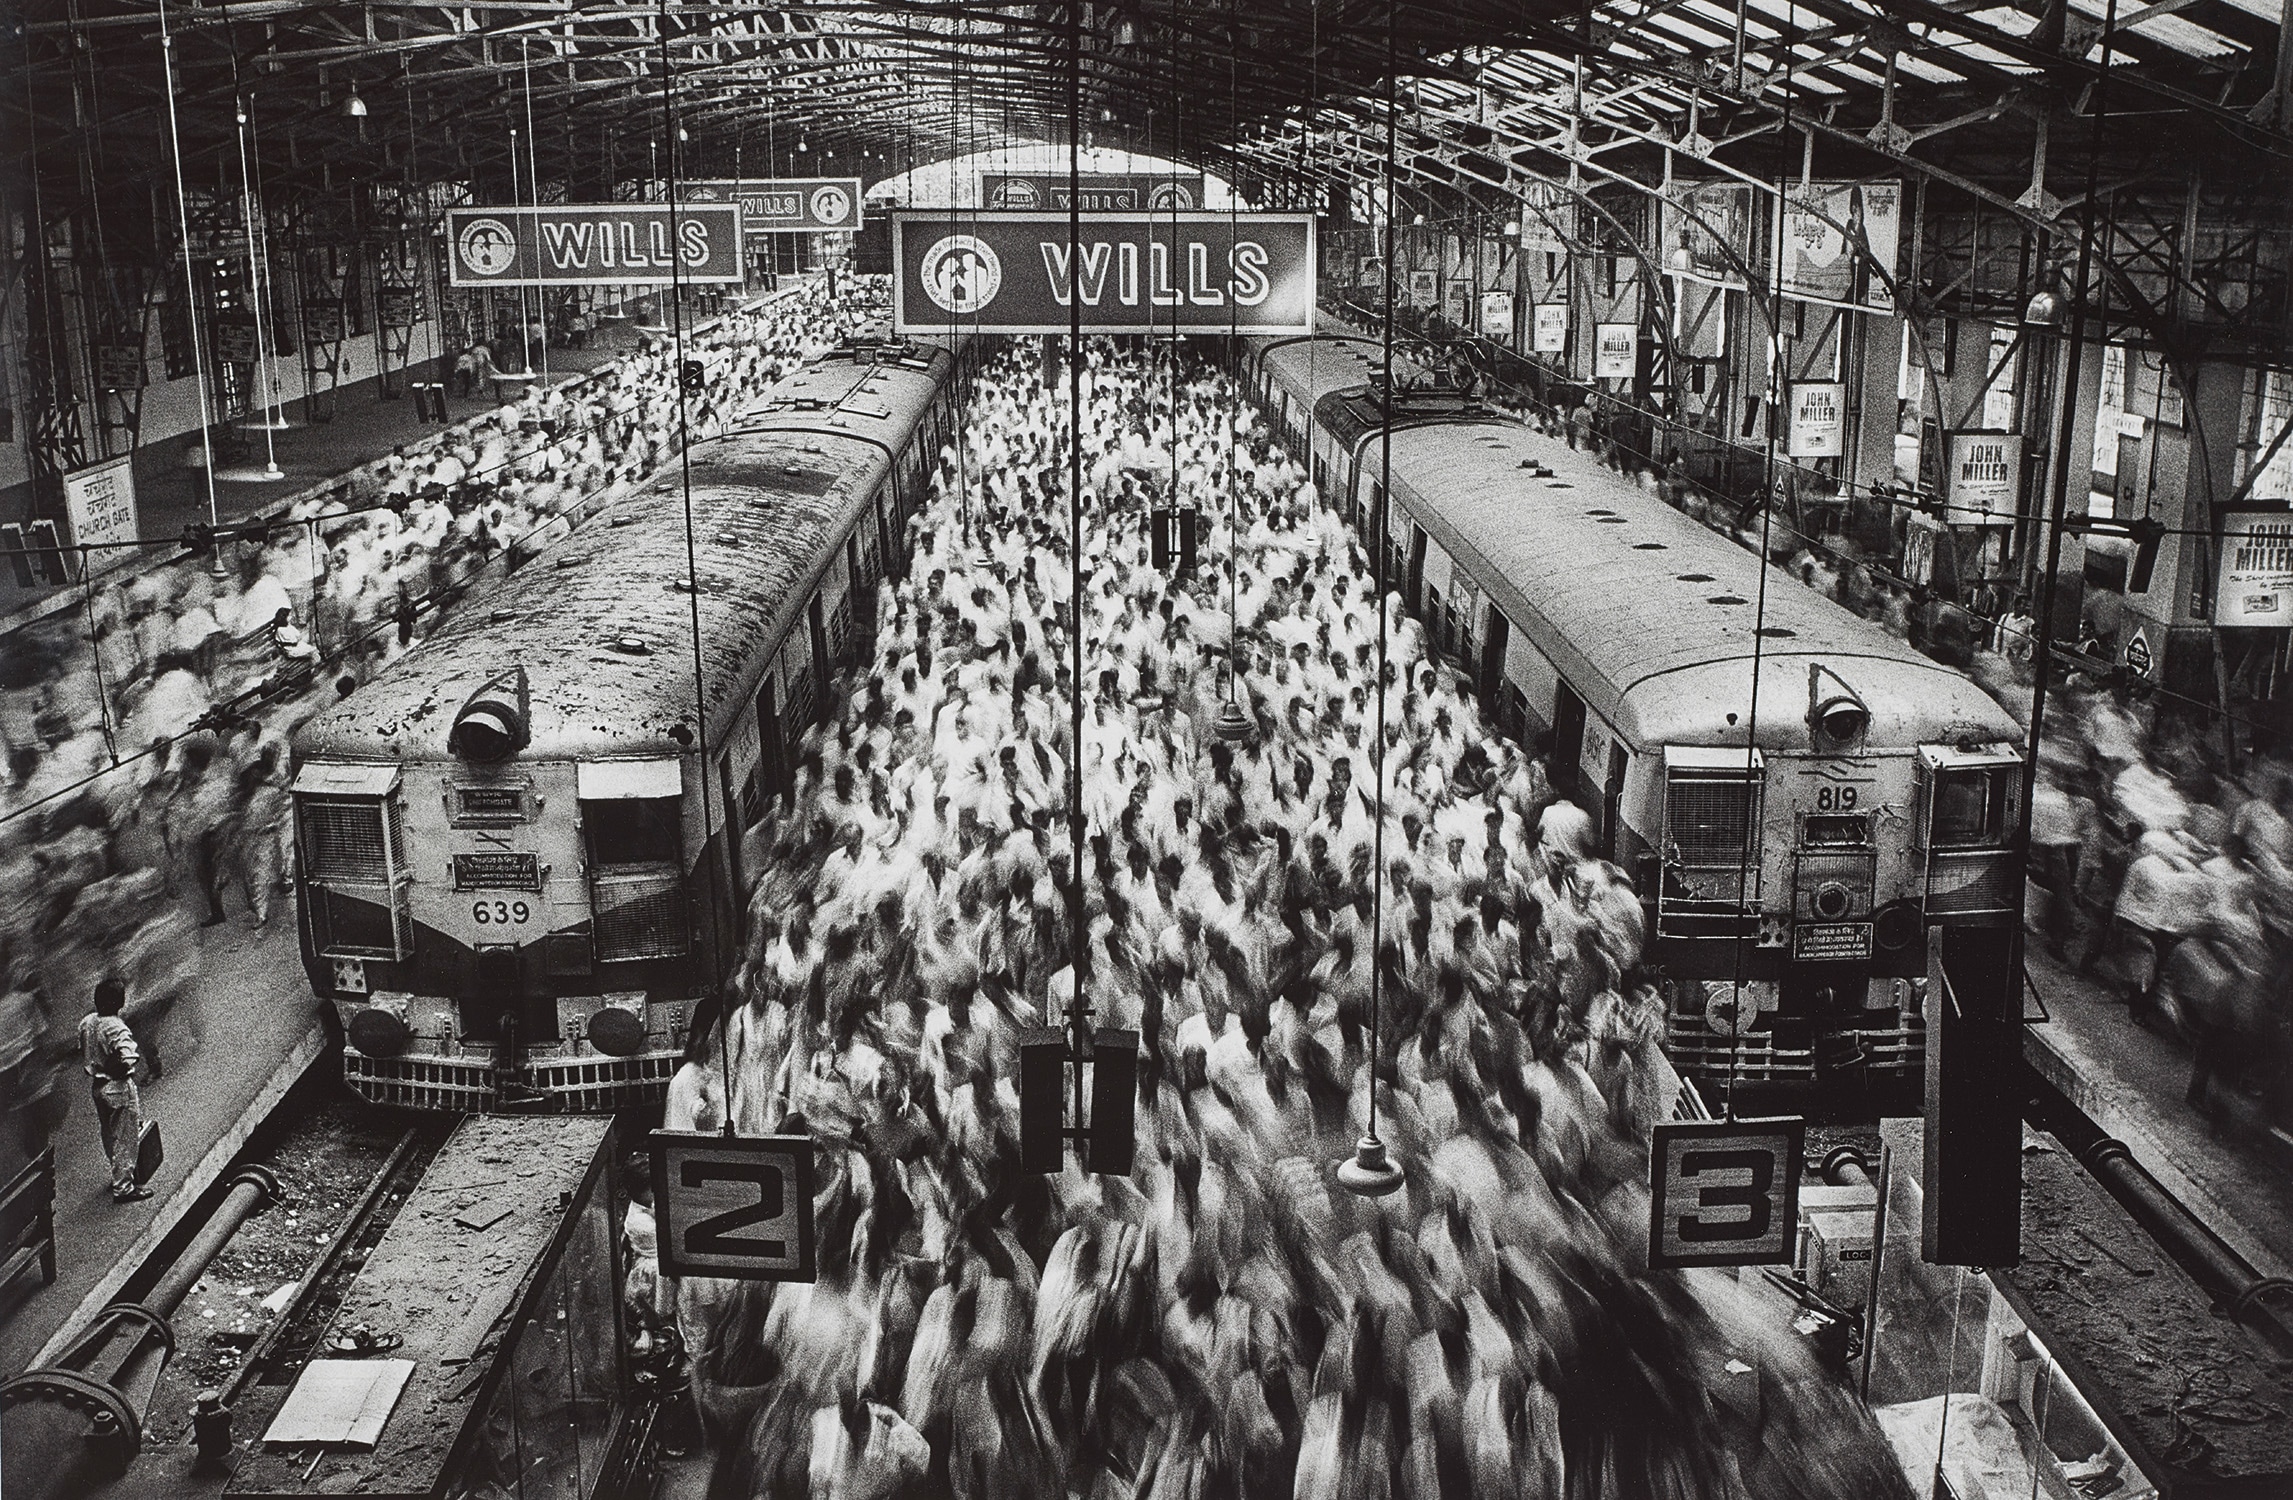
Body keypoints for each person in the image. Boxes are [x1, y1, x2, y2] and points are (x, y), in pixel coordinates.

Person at [79, 977, 151, 1202]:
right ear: (118, 1002)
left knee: (108, 1133)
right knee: (126, 1137)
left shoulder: (88, 1021)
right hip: (117, 1087)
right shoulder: (116, 1026)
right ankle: (124, 1187)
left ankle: (117, 1174)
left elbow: (81, 1046)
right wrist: (115, 1066)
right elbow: (128, 1057)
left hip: (98, 1087)